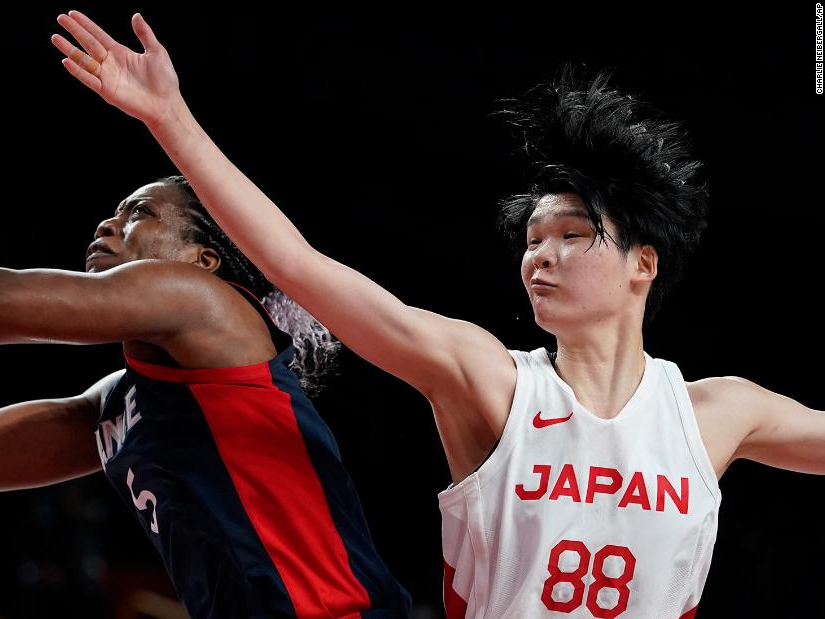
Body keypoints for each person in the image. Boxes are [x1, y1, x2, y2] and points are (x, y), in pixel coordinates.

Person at [48, 10, 825, 619]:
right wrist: (169, 119)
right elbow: (299, 267)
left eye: (571, 236)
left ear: (642, 265)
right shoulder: (486, 377)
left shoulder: (720, 412)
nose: (539, 256)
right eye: (531, 240)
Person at [0, 65, 412, 618]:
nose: (109, 222)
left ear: (204, 259)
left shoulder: (202, 301)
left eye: (140, 213)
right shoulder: (122, 401)